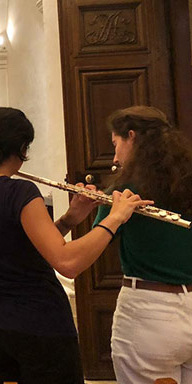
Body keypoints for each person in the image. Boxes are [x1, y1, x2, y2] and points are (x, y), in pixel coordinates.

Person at [0, 107, 149, 384]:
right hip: (39, 326)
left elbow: (20, 249)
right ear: (22, 148)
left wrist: (71, 218)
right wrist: (116, 217)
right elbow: (68, 263)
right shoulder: (19, 191)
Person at [91, 106, 192, 383]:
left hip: (150, 313)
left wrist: (103, 212)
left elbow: (91, 247)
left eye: (116, 144)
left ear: (131, 137)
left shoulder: (125, 191)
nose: (114, 156)